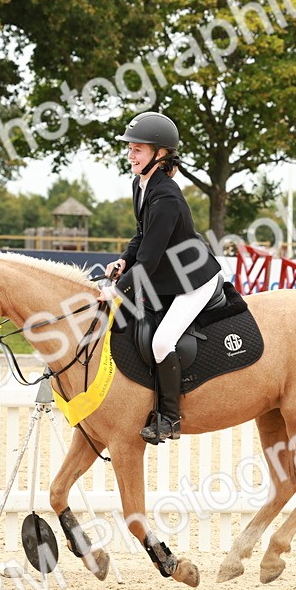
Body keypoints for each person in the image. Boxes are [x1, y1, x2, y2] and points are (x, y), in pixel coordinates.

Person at [99, 111, 222, 444]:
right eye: (130, 148)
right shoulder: (141, 185)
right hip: (169, 278)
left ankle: (169, 418)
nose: (130, 154)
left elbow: (150, 261)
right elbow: (142, 236)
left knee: (162, 341)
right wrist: (124, 260)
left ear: (161, 154)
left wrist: (116, 292)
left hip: (193, 281)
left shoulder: (166, 196)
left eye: (138, 149)